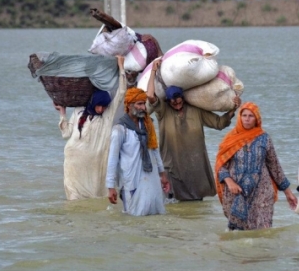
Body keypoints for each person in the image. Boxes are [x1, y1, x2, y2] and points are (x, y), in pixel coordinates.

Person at [146, 58, 240, 201]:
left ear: (183, 98)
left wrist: (233, 108)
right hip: (172, 165)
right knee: (172, 201)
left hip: (194, 165)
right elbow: (150, 96)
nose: (176, 103)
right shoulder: (163, 111)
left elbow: (219, 123)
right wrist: (153, 70)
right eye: (173, 101)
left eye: (179, 100)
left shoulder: (196, 110)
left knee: (196, 201)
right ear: (168, 101)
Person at [215, 102, 298, 231]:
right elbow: (220, 165)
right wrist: (229, 181)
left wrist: (288, 193)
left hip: (262, 192)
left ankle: (264, 250)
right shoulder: (230, 139)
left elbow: (275, 166)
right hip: (236, 191)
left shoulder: (264, 139)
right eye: (244, 115)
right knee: (237, 234)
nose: (247, 119)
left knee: (263, 231)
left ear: (257, 119)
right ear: (240, 117)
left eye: (251, 116)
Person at [54, 56, 126, 200]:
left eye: (105, 106)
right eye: (100, 105)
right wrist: (62, 113)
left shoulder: (107, 116)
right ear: (93, 102)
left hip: (95, 162)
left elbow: (122, 92)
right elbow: (66, 134)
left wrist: (121, 68)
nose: (101, 109)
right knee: (74, 197)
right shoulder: (79, 111)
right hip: (74, 160)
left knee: (96, 195)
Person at [106, 87, 171, 216]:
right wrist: (110, 187)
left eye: (144, 104)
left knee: (154, 214)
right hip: (131, 181)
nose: (143, 107)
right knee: (133, 217)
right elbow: (112, 159)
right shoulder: (120, 129)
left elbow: (154, 150)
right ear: (129, 106)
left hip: (150, 178)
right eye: (139, 104)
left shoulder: (148, 125)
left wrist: (162, 174)